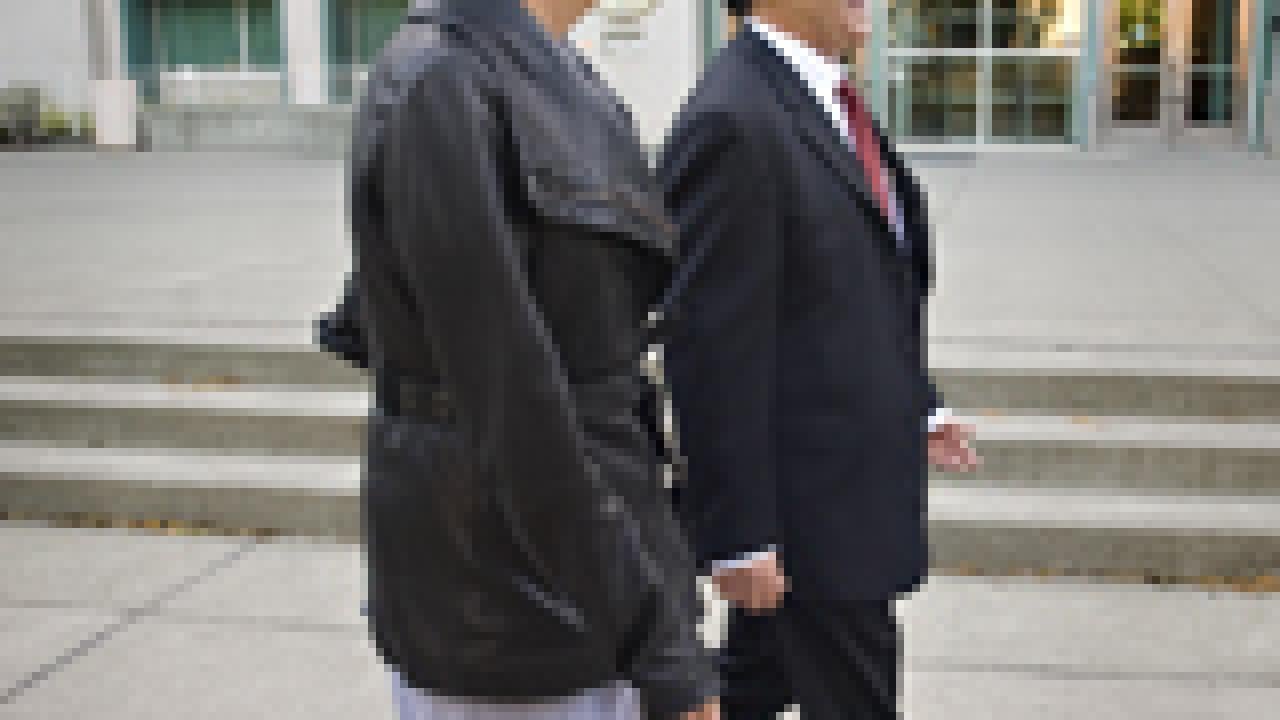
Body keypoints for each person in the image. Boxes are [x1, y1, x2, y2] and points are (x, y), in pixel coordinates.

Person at [341, 0, 721, 718]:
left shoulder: (561, 73)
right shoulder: (442, 80)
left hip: (603, 569)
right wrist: (659, 645)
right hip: (501, 604)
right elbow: (511, 398)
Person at [658, 1, 980, 718]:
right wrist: (737, 533)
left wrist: (917, 402)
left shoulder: (820, 93)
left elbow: (856, 282)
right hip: (812, 519)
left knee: (748, 690)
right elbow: (711, 342)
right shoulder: (733, 120)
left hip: (839, 490)